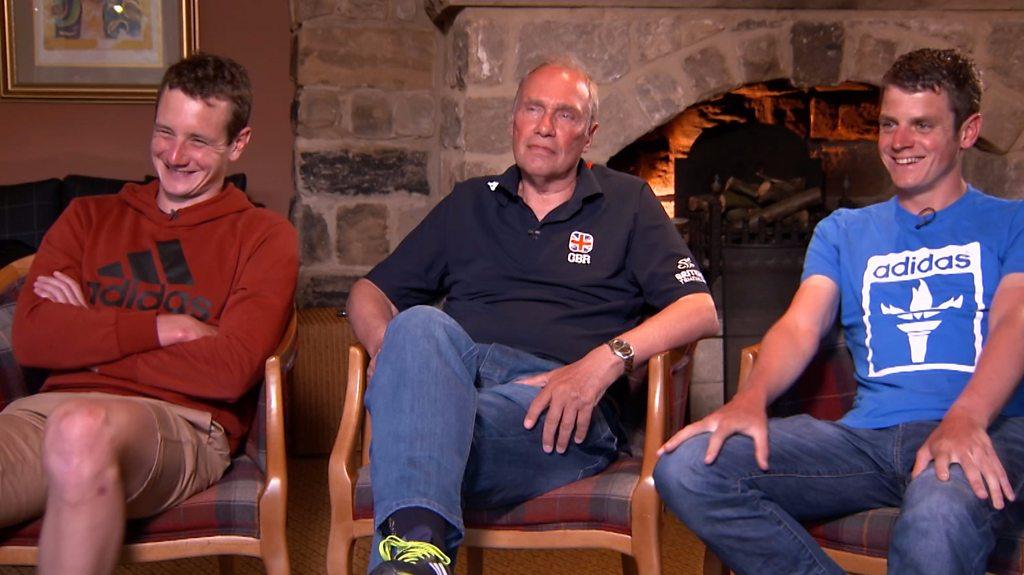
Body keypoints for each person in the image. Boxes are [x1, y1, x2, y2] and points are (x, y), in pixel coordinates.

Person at [655, 47, 1024, 575]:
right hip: (867, 438)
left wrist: (965, 419)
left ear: (967, 131)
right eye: (889, 124)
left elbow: (1016, 320)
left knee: (936, 516)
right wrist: (749, 399)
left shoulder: (1012, 222)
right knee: (689, 466)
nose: (899, 142)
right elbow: (801, 326)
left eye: (923, 125)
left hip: (985, 427)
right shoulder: (843, 230)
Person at [346, 57, 719, 575]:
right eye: (533, 109)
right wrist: (393, 356)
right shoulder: (469, 203)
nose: (544, 127)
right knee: (418, 326)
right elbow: (368, 293)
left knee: (422, 431)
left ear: (589, 135)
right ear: (513, 121)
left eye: (565, 115)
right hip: (456, 380)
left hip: (556, 406)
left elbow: (700, 309)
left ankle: (410, 552)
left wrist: (604, 362)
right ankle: (416, 557)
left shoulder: (627, 202)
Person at [8, 53, 298, 575]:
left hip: (182, 424)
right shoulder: (87, 217)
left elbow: (229, 369)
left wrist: (88, 335)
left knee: (81, 429)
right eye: (165, 131)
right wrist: (167, 330)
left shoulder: (264, 236)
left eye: (199, 141)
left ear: (238, 143)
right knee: (73, 425)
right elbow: (31, 338)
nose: (175, 154)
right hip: (43, 414)